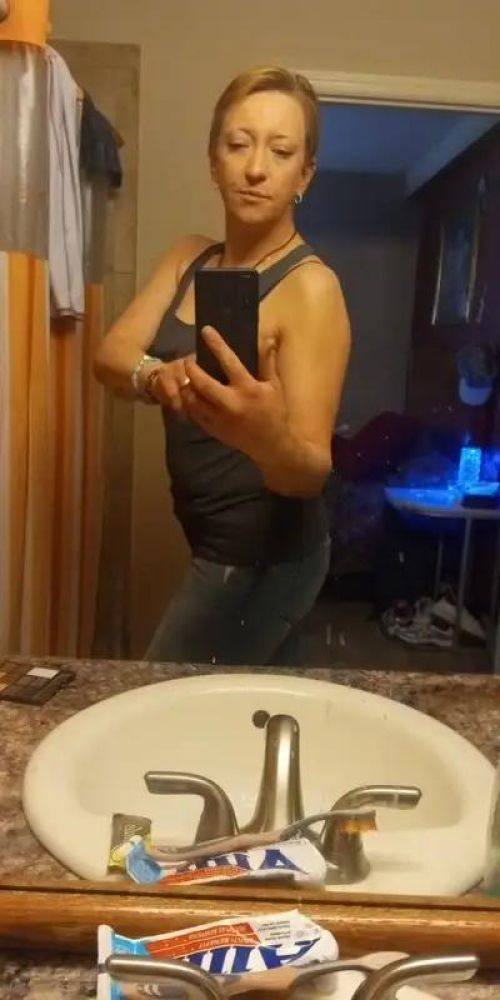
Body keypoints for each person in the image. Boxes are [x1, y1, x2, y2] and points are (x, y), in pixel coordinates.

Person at [94, 66, 351, 665]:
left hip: (266, 557)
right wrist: (156, 376)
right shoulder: (188, 257)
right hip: (211, 537)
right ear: (214, 160)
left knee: (165, 694)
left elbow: (309, 473)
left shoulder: (312, 288)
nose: (256, 168)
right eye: (238, 144)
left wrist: (264, 435)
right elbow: (110, 357)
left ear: (304, 174)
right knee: (255, 701)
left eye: (281, 151)